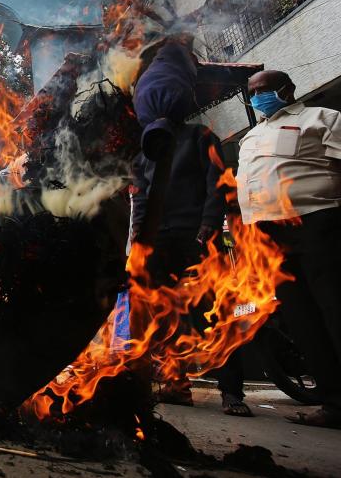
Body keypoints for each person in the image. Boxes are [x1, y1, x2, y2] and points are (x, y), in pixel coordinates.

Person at [236, 70, 341, 429]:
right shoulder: (249, 137)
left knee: (335, 309)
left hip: (317, 224)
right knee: (302, 320)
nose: (258, 96)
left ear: (287, 89)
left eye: (264, 89)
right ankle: (334, 403)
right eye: (252, 92)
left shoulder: (323, 118)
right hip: (269, 238)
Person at [132, 123, 250, 416]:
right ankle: (175, 385)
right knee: (162, 315)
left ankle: (232, 392)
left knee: (211, 312)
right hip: (159, 240)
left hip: (196, 236)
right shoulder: (144, 149)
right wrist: (139, 235)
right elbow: (141, 195)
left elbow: (217, 184)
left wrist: (209, 223)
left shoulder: (201, 135)